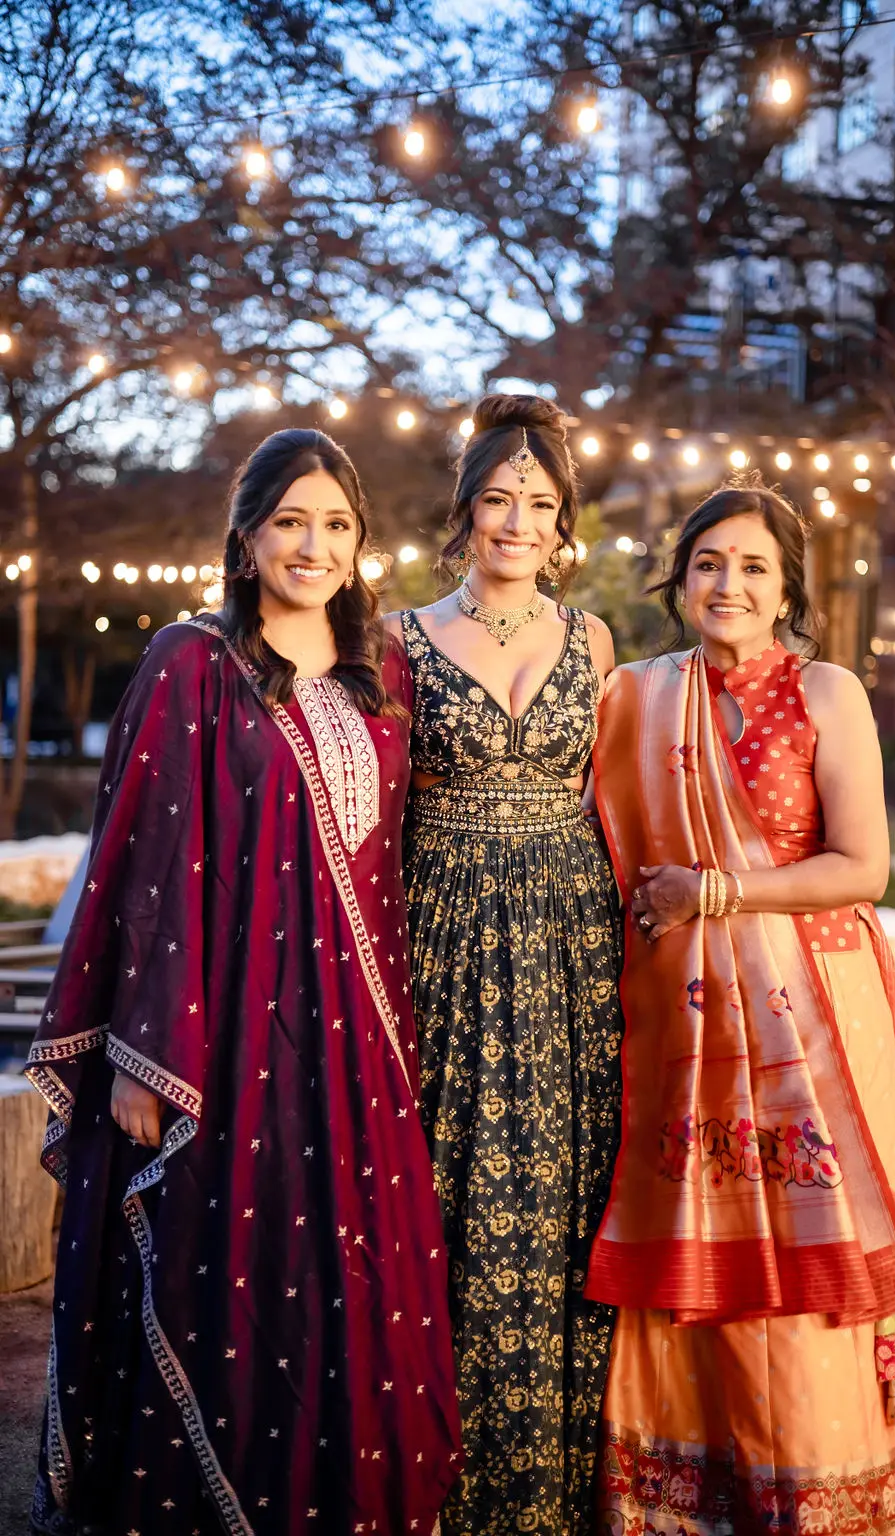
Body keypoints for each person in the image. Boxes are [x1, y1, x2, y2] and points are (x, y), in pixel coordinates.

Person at [25, 428, 461, 1536]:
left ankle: (342, 1497)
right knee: (230, 1264)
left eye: (336, 525)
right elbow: (147, 863)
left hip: (357, 1036)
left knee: (346, 1269)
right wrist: (141, 1052)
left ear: (360, 541)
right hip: (226, 1032)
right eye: (289, 522)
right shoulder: (192, 661)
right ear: (246, 535)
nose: (313, 547)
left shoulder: (384, 673)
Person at [587, 478, 895, 1536]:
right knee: (710, 1216)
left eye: (753, 566)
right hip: (692, 1010)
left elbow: (861, 866)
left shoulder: (827, 691)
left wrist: (714, 891)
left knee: (824, 1221)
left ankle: (847, 1470)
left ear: (787, 589)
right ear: (678, 580)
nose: (727, 584)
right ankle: (704, 1472)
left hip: (821, 1002)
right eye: (707, 563)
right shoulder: (640, 697)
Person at [383, 393, 623, 1536]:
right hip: (445, 937)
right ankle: (445, 1479)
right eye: (496, 499)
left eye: (537, 501)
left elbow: (619, 796)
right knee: (452, 1188)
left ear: (562, 518)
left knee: (566, 1190)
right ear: (464, 511)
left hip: (572, 945)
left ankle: (556, 1488)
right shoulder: (400, 639)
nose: (517, 521)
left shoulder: (596, 641)